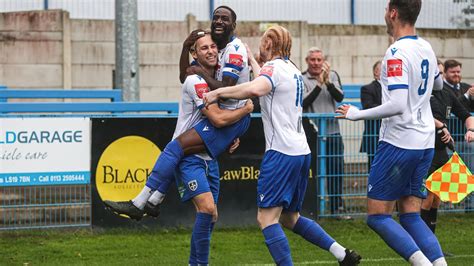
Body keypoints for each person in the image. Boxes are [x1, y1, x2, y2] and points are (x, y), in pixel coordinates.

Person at [204, 25, 361, 266]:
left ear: (268, 45)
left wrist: (218, 93)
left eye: (262, 41)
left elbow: (256, 88)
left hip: (281, 153)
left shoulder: (273, 69)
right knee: (290, 218)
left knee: (266, 219)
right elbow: (267, 82)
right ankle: (343, 254)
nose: (259, 45)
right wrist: (251, 61)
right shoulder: (292, 69)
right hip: (301, 151)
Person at [104, 6, 252, 220]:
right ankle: (153, 201)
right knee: (208, 212)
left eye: (224, 18)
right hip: (225, 127)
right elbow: (186, 75)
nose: (210, 51)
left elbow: (225, 97)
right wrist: (185, 48)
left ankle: (140, 202)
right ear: (195, 53)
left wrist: (243, 114)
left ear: (234, 25)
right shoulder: (209, 64)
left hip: (229, 121)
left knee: (176, 151)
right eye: (216, 17)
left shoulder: (230, 53)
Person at [336, 1, 447, 265]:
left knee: (377, 216)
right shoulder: (426, 47)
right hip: (424, 143)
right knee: (410, 215)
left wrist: (356, 114)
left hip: (399, 142)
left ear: (393, 13)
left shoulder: (396, 52)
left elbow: (397, 105)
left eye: (387, 9)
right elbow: (439, 84)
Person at [421, 60, 474, 235]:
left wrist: (471, 129)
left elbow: (466, 116)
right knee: (427, 197)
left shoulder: (447, 93)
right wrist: (440, 125)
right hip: (424, 151)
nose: (437, 76)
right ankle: (421, 242)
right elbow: (416, 115)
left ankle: (431, 242)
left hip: (441, 152)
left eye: (439, 73)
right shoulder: (421, 93)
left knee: (437, 198)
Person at [301, 47, 348, 218]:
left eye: (319, 60)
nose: (316, 63)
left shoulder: (333, 75)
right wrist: (319, 85)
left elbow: (340, 97)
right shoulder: (301, 78)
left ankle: (337, 208)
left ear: (323, 61)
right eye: (312, 60)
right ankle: (312, 209)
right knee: (313, 172)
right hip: (312, 134)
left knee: (335, 171)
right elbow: (304, 101)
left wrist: (327, 81)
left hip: (333, 131)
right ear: (307, 61)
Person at [360, 60, 382, 169]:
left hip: (392, 134)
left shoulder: (393, 89)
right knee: (374, 166)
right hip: (374, 134)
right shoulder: (367, 89)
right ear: (375, 72)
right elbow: (368, 106)